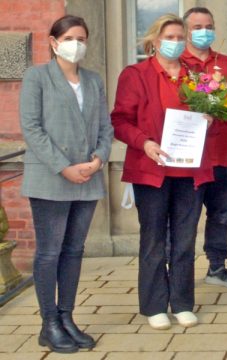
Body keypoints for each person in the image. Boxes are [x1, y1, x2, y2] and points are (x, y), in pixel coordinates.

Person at [112, 14, 214, 330]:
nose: (177, 42)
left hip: (188, 170)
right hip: (151, 169)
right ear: (155, 41)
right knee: (154, 238)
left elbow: (210, 109)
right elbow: (120, 121)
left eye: (180, 37)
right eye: (170, 37)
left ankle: (182, 302)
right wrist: (144, 143)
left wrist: (208, 117)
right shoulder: (136, 75)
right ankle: (155, 305)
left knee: (184, 240)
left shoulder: (196, 75)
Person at [20, 15, 113, 353]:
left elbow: (105, 125)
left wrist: (98, 159)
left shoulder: (92, 79)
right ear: (55, 41)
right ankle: (49, 324)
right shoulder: (37, 76)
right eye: (71, 37)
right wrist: (64, 167)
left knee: (74, 251)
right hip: (50, 178)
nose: (77, 44)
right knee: (49, 252)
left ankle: (66, 316)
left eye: (82, 38)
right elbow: (31, 128)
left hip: (87, 177)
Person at [180, 7, 227, 288]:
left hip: (224, 156)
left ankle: (217, 268)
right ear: (185, 31)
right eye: (196, 26)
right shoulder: (176, 64)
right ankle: (178, 275)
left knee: (220, 216)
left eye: (208, 25)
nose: (203, 31)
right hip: (188, 159)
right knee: (185, 218)